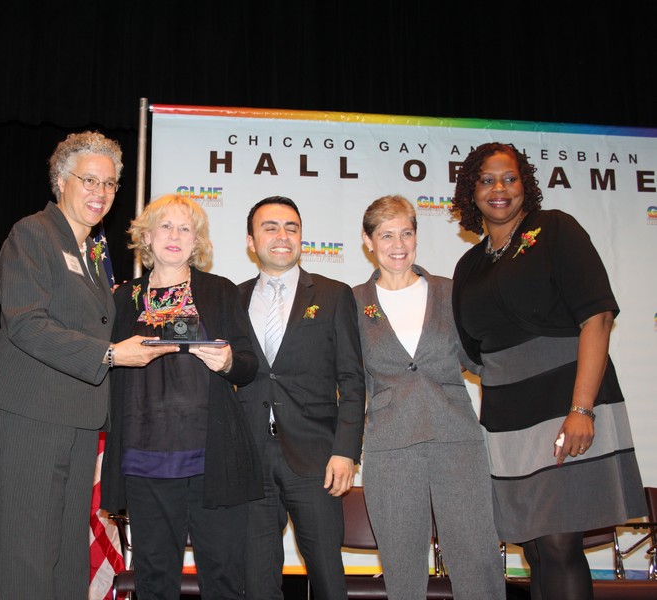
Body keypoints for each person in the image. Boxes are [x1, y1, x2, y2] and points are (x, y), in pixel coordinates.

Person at [0, 131, 176, 598]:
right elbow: (26, 324)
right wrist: (111, 354)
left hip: (77, 416)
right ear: (61, 180)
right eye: (89, 180)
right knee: (31, 550)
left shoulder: (89, 252)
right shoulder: (33, 233)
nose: (100, 192)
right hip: (31, 413)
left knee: (69, 551)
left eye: (109, 184)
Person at [450, 142, 647, 600]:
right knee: (535, 550)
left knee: (559, 544)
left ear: (526, 185)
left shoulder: (555, 229)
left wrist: (582, 408)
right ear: (471, 192)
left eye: (509, 178)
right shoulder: (469, 265)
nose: (499, 189)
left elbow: (597, 317)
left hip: (565, 403)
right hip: (507, 418)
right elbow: (471, 350)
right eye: (486, 180)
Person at [101, 193, 262, 599]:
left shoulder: (220, 291)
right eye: (166, 226)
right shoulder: (123, 297)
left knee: (224, 579)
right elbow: (105, 365)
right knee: (154, 581)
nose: (175, 235)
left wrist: (228, 361)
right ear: (147, 237)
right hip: (144, 458)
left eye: (185, 228)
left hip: (211, 458)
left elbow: (249, 365)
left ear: (197, 241)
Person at [352, 195, 504, 599]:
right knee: (402, 567)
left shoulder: (450, 292)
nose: (398, 244)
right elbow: (349, 380)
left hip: (457, 439)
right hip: (390, 446)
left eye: (406, 233)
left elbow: (481, 359)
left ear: (416, 237)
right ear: (368, 241)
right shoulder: (352, 303)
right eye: (386, 235)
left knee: (478, 558)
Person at [237, 196, 365, 599]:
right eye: (270, 227)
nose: (282, 235)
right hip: (250, 459)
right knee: (256, 581)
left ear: (301, 238)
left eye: (291, 227)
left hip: (317, 459)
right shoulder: (233, 299)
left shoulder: (333, 294)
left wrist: (346, 451)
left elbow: (353, 379)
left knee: (328, 577)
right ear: (251, 241)